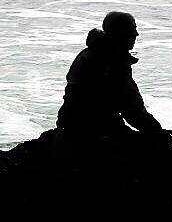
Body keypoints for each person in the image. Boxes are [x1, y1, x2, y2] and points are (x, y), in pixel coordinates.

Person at [56, 11, 165, 144]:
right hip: (93, 129)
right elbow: (131, 107)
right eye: (132, 30)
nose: (136, 34)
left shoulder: (90, 52)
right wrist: (158, 132)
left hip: (70, 123)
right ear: (120, 33)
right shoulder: (115, 60)